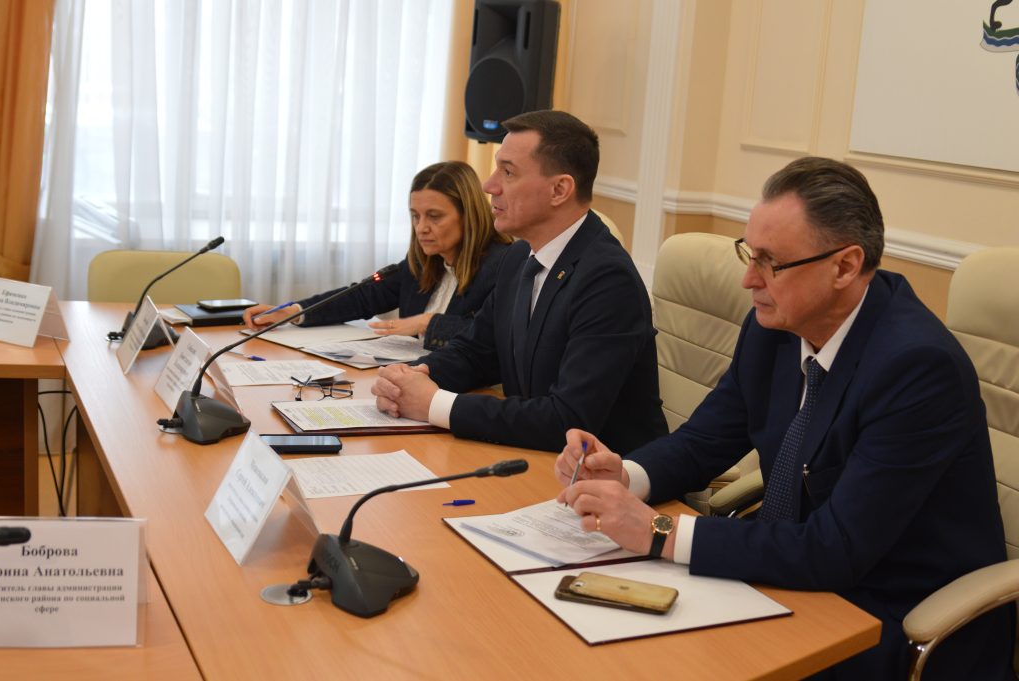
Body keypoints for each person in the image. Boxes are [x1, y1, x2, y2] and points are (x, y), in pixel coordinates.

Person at [555, 157, 1013, 680]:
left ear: (844, 266)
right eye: (748, 253)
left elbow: (836, 549)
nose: (748, 279)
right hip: (791, 573)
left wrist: (658, 531)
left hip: (887, 612)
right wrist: (625, 476)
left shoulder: (917, 367)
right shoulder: (773, 327)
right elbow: (705, 439)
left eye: (771, 262)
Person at [372, 110, 667, 453]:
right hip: (534, 455)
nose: (489, 185)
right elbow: (475, 353)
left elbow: (567, 420)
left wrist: (434, 404)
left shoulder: (608, 280)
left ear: (559, 189)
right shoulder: (519, 256)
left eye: (508, 172)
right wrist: (406, 379)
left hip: (602, 474)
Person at [242, 161, 510, 350]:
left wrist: (428, 323)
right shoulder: (422, 263)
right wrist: (293, 312)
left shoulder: (503, 266)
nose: (421, 228)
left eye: (434, 216)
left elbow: (494, 336)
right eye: (415, 216)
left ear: (468, 215)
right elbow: (361, 297)